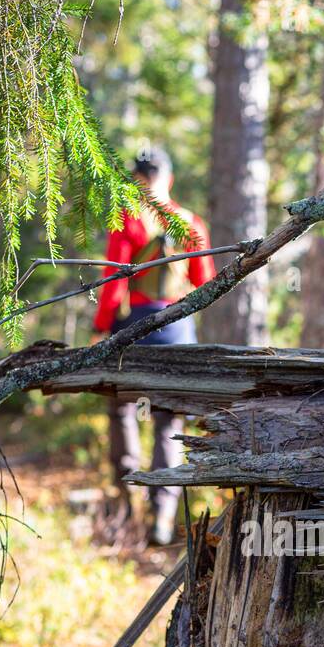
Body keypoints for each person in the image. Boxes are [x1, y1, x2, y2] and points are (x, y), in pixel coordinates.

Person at [94, 146, 215, 544]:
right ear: (170, 178)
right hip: (177, 330)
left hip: (136, 328)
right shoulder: (189, 222)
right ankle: (162, 516)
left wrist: (102, 329)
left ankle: (127, 502)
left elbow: (113, 283)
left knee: (123, 410)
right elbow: (205, 281)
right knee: (167, 422)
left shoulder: (126, 220)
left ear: (136, 179)